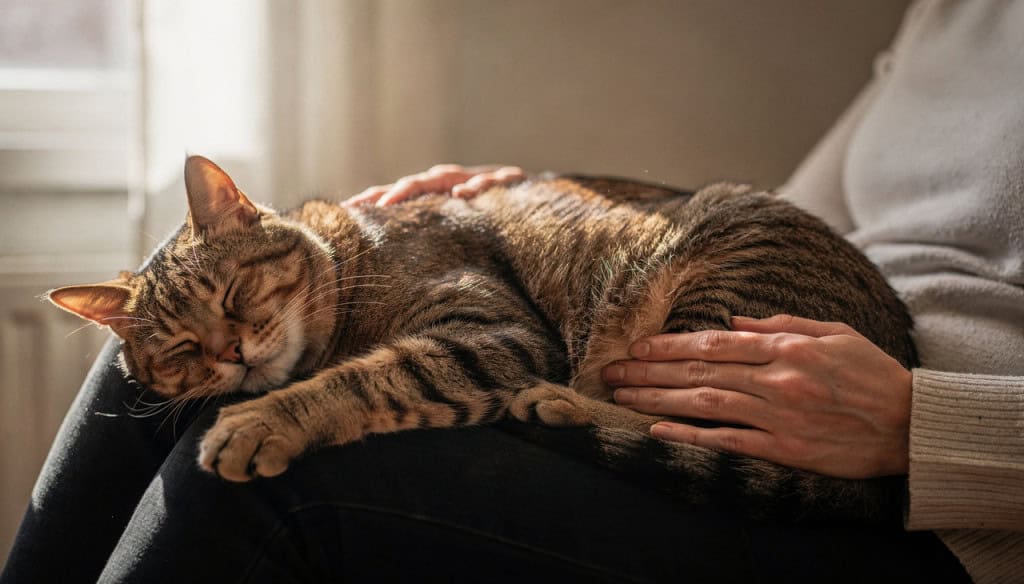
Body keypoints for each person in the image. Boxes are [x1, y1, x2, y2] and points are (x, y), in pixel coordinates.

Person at [1, 1, 1019, 582]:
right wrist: (523, 205)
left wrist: (925, 428)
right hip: (775, 323)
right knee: (156, 373)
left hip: (932, 511)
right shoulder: (958, 14)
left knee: (280, 468)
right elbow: (787, 212)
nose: (231, 339)